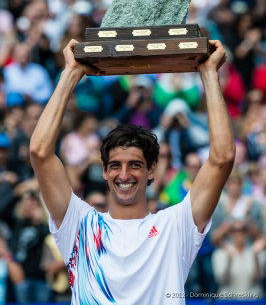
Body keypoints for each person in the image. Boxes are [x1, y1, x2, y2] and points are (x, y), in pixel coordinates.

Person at [30, 39, 235, 304]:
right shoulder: (79, 225)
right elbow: (39, 153)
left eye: (135, 165)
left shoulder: (174, 226)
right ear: (104, 171)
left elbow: (223, 158)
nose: (124, 174)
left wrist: (208, 73)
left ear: (152, 171)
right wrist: (70, 74)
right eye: (115, 165)